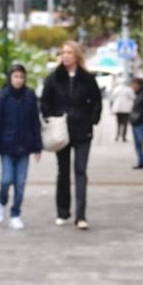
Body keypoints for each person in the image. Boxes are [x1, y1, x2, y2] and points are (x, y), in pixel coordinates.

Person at [40, 42, 102, 229]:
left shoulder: (87, 79)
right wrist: (51, 118)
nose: (65, 56)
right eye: (63, 53)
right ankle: (62, 211)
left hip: (83, 130)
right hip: (61, 131)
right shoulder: (53, 78)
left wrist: (92, 119)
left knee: (81, 171)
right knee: (63, 172)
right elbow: (45, 102)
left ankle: (81, 215)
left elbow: (96, 101)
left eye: (69, 53)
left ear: (77, 56)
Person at [0, 62, 42, 229]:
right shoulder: (3, 97)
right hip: (7, 146)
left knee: (20, 183)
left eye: (21, 77)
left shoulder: (30, 96)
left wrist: (37, 147)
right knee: (6, 180)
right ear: (10, 78)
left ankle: (15, 213)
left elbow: (35, 122)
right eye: (15, 76)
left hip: (24, 147)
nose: (18, 80)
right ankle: (1, 202)